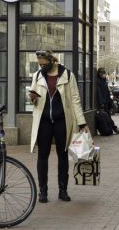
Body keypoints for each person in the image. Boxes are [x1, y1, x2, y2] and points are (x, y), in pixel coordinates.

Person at [29, 50, 88, 203]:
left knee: (63, 156)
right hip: (44, 121)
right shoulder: (37, 75)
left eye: (44, 64)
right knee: (42, 156)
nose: (42, 67)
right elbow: (34, 101)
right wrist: (33, 98)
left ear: (52, 60)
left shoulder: (67, 75)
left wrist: (82, 122)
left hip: (62, 120)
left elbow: (75, 100)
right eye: (40, 64)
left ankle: (63, 190)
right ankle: (43, 191)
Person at [96, 68, 119, 134]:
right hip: (102, 103)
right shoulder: (98, 81)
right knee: (107, 117)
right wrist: (101, 103)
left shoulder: (104, 80)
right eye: (101, 73)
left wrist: (110, 100)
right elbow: (99, 93)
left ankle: (113, 129)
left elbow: (107, 91)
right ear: (99, 73)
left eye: (103, 73)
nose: (102, 74)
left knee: (108, 116)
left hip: (107, 101)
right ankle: (115, 129)